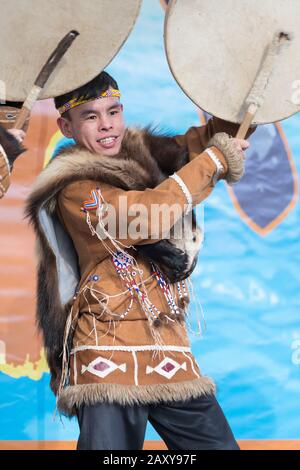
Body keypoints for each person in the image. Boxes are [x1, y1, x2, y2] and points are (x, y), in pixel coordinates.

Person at [26, 71, 255, 450]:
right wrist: (215, 161)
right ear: (66, 126)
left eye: (113, 112)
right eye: (91, 117)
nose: (107, 126)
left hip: (168, 349)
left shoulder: (146, 156)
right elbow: (144, 216)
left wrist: (249, 105)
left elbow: (205, 143)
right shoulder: (72, 187)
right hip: (107, 351)